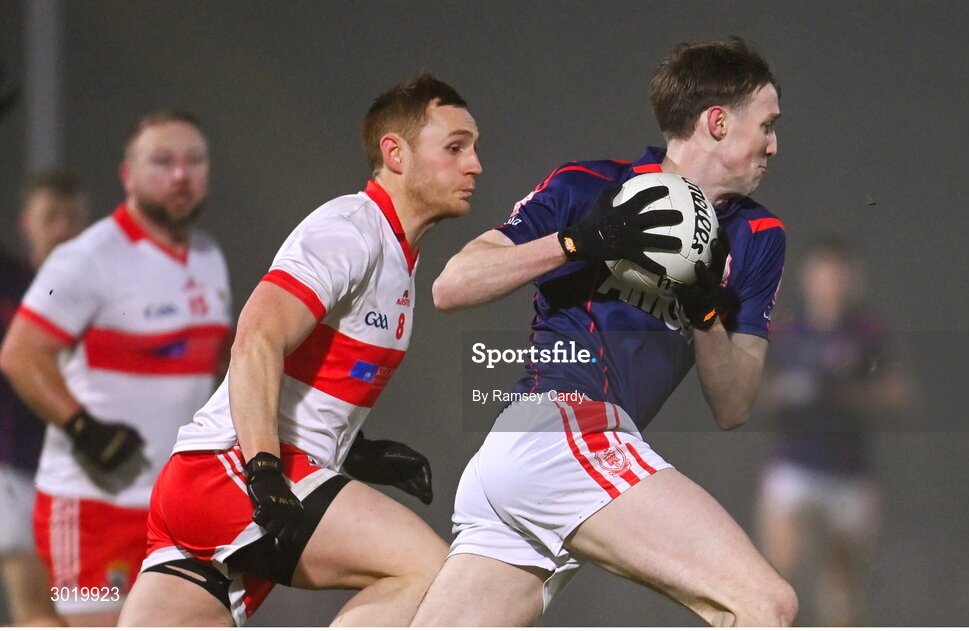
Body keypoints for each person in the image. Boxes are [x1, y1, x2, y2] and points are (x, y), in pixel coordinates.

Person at [412, 38, 797, 627]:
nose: (774, 144)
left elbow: (734, 403)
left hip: (542, 467)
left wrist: (705, 315)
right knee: (766, 605)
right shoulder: (588, 185)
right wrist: (577, 242)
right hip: (561, 428)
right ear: (718, 122)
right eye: (766, 125)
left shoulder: (759, 235)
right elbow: (451, 285)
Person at [117, 74, 481, 627]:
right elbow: (257, 336)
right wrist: (263, 471)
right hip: (236, 477)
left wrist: (357, 451)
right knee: (427, 570)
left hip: (206, 485)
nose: (474, 165)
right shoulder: (351, 228)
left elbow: (307, 374)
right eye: (455, 148)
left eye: (474, 148)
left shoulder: (397, 255)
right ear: (396, 154)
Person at [0, 111, 232, 626]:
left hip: (177, 506)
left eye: (193, 161)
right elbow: (20, 353)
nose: (180, 175)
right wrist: (84, 429)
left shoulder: (208, 256)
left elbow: (217, 355)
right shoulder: (85, 258)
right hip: (95, 507)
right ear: (128, 175)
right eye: (162, 162)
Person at [755, 236, 910, 626]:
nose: (831, 284)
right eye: (823, 274)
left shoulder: (868, 335)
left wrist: (843, 393)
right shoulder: (787, 332)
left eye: (839, 275)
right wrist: (791, 390)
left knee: (841, 590)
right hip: (795, 467)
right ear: (807, 279)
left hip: (849, 476)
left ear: (853, 279)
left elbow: (897, 394)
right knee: (778, 577)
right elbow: (752, 397)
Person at [0, 171, 88, 626]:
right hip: (20, 469)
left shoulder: (103, 293)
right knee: (35, 610)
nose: (62, 228)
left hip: (94, 480)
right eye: (51, 216)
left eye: (72, 217)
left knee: (92, 608)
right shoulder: (10, 286)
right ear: (25, 223)